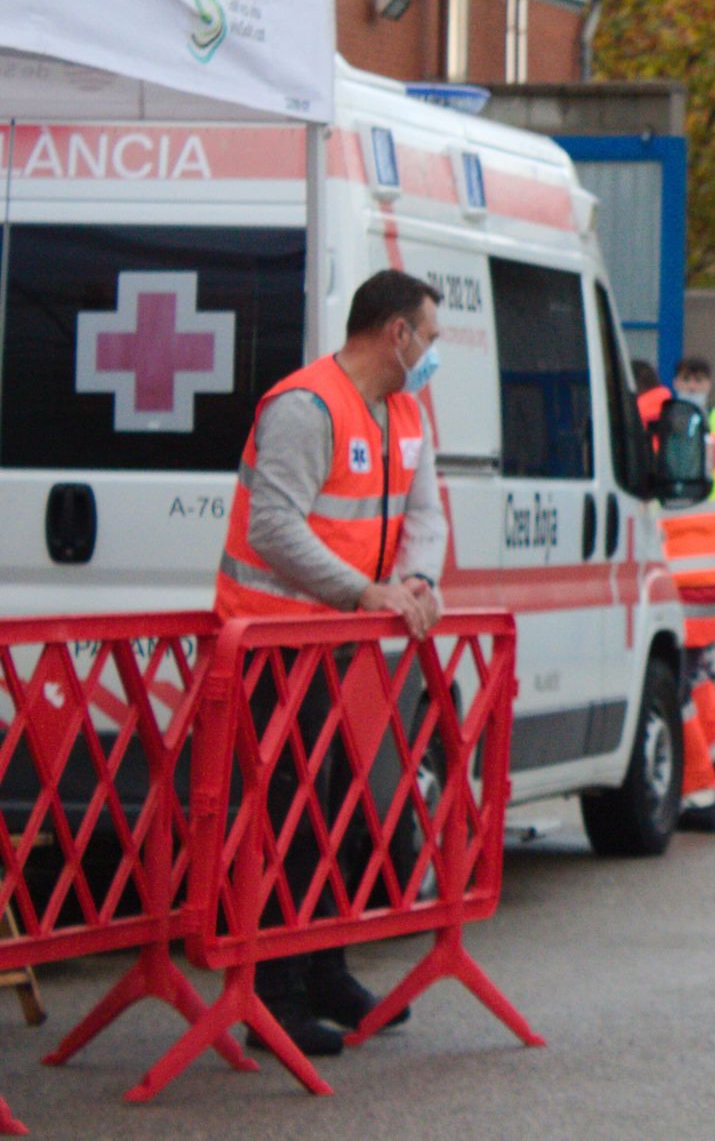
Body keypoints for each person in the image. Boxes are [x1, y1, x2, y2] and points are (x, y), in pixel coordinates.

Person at [216, 268, 447, 1059]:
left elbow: (425, 515)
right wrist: (366, 591)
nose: (432, 355)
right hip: (275, 645)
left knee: (339, 815)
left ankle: (323, 971)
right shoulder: (306, 406)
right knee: (286, 822)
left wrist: (418, 581)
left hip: (342, 647)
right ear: (396, 333)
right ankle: (272, 996)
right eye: (430, 337)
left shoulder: (404, 411)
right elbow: (275, 527)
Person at [637, 381, 715, 831]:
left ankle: (700, 791)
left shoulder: (637, 446)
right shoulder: (714, 446)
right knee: (694, 678)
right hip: (712, 589)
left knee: (675, 691)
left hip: (671, 590)